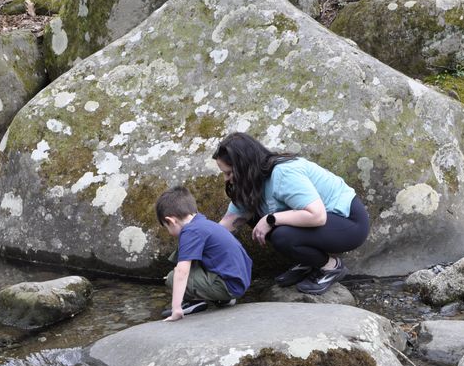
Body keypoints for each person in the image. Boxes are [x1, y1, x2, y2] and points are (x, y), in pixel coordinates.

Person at [213, 132, 369, 295]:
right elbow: (228, 223)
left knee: (281, 234)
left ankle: (330, 266)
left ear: (244, 165)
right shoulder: (252, 183)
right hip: (323, 223)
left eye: (229, 173)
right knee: (257, 219)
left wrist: (270, 219)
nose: (226, 179)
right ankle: (309, 262)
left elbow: (317, 215)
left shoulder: (283, 173)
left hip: (349, 224)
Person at [155, 186, 252, 322]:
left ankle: (194, 301)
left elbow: (182, 272)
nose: (169, 232)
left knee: (172, 277)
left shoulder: (190, 231)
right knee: (189, 257)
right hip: (238, 280)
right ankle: (223, 299)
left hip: (228, 285)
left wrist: (175, 308)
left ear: (171, 221)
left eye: (167, 228)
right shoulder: (203, 222)